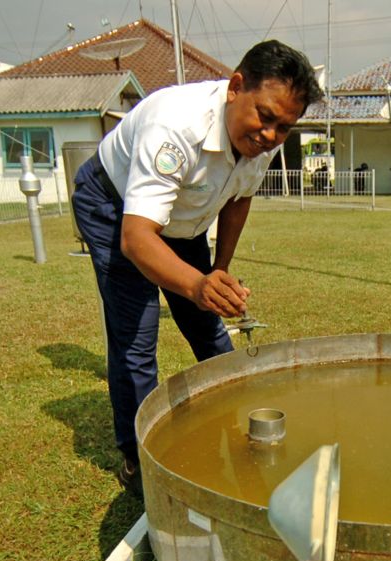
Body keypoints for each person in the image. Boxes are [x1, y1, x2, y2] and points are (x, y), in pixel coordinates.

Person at [71, 40, 323, 495]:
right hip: (115, 208)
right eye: (264, 117)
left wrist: (218, 270)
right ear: (236, 87)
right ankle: (137, 458)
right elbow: (137, 238)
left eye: (283, 127)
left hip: (182, 221)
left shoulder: (262, 143)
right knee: (136, 336)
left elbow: (239, 198)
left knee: (208, 326)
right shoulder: (175, 128)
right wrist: (195, 283)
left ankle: (237, 420)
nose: (269, 135)